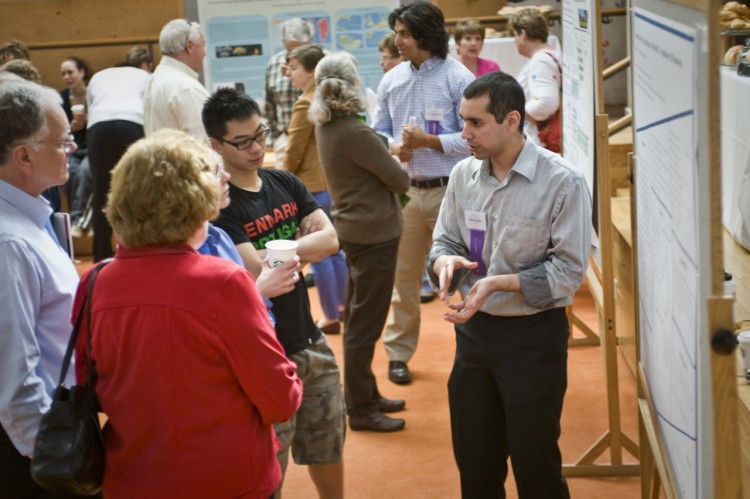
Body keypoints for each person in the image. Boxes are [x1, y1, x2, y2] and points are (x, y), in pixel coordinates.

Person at [73, 129, 302, 498]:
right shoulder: (223, 281)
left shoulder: (96, 280)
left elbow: (91, 385)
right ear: (194, 199)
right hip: (227, 478)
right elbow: (280, 399)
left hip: (131, 476)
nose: (224, 177)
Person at [427, 71, 591, 498]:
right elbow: (445, 239)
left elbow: (569, 272)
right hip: (475, 336)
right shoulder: (464, 174)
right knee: (476, 465)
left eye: (475, 123)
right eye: (462, 121)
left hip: (534, 338)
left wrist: (498, 283)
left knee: (535, 465)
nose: (464, 134)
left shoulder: (563, 181)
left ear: (512, 120)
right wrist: (444, 261)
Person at [203, 88, 347, 499]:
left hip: (310, 337)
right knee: (269, 465)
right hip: (265, 352)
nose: (256, 148)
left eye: (260, 135)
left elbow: (332, 240)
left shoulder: (284, 181)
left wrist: (280, 253)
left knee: (328, 443)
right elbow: (252, 267)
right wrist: (302, 247)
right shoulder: (222, 205)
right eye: (242, 141)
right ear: (215, 145)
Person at [373, 1, 474, 385]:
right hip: (409, 194)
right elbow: (377, 132)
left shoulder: (457, 78)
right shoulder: (392, 80)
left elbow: (476, 139)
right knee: (404, 280)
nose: (397, 41)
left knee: (467, 275)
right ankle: (398, 354)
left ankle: (478, 350)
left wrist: (430, 141)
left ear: (426, 36)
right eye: (396, 32)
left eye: (404, 34)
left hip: (454, 193)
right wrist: (394, 146)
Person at [311, 52, 411, 432]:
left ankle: (364, 396)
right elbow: (400, 181)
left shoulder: (328, 125)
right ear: (353, 83)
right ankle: (362, 408)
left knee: (356, 318)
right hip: (374, 234)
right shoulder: (354, 131)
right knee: (364, 326)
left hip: (355, 230)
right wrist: (394, 155)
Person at [0, 80, 83, 498]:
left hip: (56, 427)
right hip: (38, 453)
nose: (70, 147)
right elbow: (14, 374)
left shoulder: (27, 218)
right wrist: (55, 462)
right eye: (63, 139)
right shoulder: (9, 243)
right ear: (24, 155)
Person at [285, 44, 347, 335]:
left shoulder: (304, 103)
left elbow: (294, 152)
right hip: (333, 183)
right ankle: (343, 308)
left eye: (294, 67)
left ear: (311, 71)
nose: (289, 72)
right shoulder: (330, 98)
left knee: (320, 255)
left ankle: (331, 316)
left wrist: (281, 183)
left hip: (312, 187)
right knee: (336, 251)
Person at [86, 59, 151, 261]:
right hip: (132, 123)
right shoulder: (145, 76)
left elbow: (91, 109)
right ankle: (143, 249)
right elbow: (150, 110)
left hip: (99, 126)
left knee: (102, 191)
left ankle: (100, 254)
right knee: (139, 190)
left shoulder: (98, 77)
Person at [143, 19, 209, 139]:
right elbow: (202, 143)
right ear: (189, 46)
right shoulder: (185, 87)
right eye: (202, 45)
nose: (204, 53)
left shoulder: (156, 78)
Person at [510, 8, 562, 153]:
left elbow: (546, 102)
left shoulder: (541, 61)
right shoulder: (545, 57)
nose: (515, 40)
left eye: (515, 35)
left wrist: (511, 114)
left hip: (539, 143)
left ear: (523, 35)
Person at [265, 17, 312, 168]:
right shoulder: (274, 63)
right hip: (285, 139)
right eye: (292, 48)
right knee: (286, 189)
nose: (296, 53)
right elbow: (269, 105)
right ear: (283, 42)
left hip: (316, 141)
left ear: (309, 40)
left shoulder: (324, 59)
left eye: (301, 48)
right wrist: (275, 139)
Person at [59, 56, 93, 234]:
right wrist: (70, 127)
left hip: (92, 147)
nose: (66, 77)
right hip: (73, 146)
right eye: (63, 74)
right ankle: (76, 221)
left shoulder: (92, 94)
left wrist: (89, 120)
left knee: (85, 172)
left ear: (82, 72)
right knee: (70, 173)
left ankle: (79, 221)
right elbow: (59, 128)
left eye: (70, 72)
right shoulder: (62, 98)